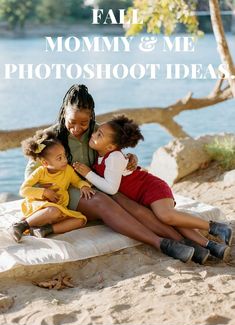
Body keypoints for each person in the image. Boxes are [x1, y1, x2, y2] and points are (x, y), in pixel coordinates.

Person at [22, 84, 201, 264]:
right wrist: (45, 189)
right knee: (102, 201)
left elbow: (115, 154)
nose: (77, 128)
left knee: (129, 203)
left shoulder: (98, 132)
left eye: (83, 123)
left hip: (99, 184)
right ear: (63, 114)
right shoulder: (50, 137)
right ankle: (160, 243)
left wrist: (131, 159)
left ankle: (183, 242)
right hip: (67, 191)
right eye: (72, 122)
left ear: (91, 116)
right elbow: (31, 173)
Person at [73, 115, 232, 262]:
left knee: (166, 216)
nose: (93, 135)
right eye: (96, 133)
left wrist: (88, 174)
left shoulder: (114, 157)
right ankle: (211, 246)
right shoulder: (105, 157)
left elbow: (112, 189)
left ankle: (215, 227)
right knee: (172, 221)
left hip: (151, 188)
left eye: (99, 134)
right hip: (140, 195)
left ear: (111, 146)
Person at [10, 130, 94, 242]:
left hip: (60, 208)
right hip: (41, 207)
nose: (64, 160)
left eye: (64, 155)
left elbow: (77, 181)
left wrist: (83, 186)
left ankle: (45, 230)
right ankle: (22, 225)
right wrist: (44, 192)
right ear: (45, 163)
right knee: (54, 211)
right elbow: (23, 190)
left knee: (81, 220)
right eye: (59, 158)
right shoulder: (40, 172)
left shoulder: (68, 170)